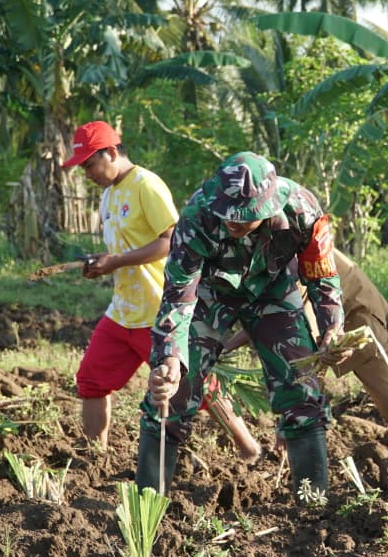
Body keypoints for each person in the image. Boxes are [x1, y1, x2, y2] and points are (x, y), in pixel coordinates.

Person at [140, 152, 346, 501]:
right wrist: (170, 357)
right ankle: (147, 503)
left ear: (268, 208)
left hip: (273, 289)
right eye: (228, 215)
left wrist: (331, 327)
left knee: (301, 386)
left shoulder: (302, 210)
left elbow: (322, 277)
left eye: (245, 218)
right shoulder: (196, 217)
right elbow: (178, 296)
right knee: (172, 392)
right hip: (210, 293)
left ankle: (312, 506)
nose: (234, 223)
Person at [207, 248, 388, 485]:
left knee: (385, 389)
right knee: (299, 383)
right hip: (304, 307)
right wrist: (222, 348)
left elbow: (284, 299)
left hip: (350, 303)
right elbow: (258, 316)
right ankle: (302, 474)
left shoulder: (277, 226)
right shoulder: (234, 250)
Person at [64, 121, 178, 450]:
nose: (86, 173)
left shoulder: (147, 185)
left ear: (112, 153)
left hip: (157, 311)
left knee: (194, 391)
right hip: (123, 311)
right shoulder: (109, 196)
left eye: (89, 164)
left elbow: (171, 242)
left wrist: (115, 261)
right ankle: (93, 456)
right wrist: (102, 264)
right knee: (91, 380)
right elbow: (123, 251)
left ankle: (248, 449)